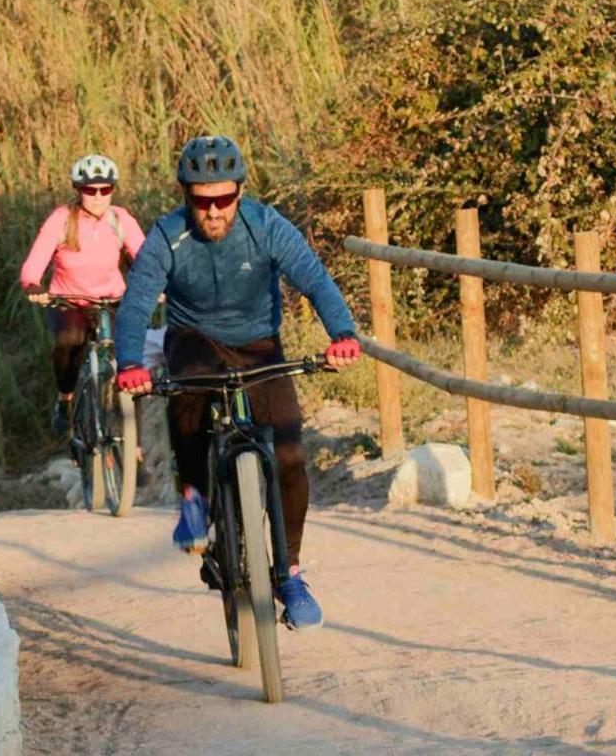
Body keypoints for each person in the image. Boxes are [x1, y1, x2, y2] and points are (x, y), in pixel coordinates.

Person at [113, 135, 361, 632]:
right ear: (187, 196)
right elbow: (138, 303)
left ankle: (289, 574)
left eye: (223, 199)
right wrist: (128, 363)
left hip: (258, 345)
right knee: (186, 397)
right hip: (193, 339)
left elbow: (314, 279)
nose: (213, 211)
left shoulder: (266, 226)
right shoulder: (168, 236)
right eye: (202, 201)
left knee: (289, 454)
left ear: (239, 193)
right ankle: (195, 500)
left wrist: (343, 334)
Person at [20, 154, 145, 431]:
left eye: (106, 189)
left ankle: (132, 436)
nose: (99, 196)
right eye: (91, 190)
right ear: (79, 191)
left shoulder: (120, 219)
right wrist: (33, 285)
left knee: (130, 355)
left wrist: (157, 287)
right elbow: (35, 261)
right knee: (70, 339)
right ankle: (65, 397)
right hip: (69, 301)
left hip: (112, 300)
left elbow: (145, 259)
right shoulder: (62, 219)